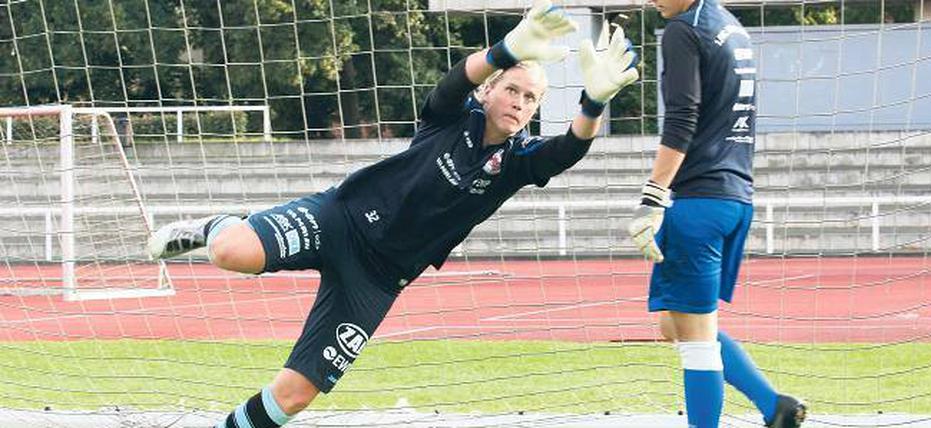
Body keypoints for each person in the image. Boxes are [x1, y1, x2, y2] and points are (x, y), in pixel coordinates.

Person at [147, 1, 638, 426]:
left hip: (377, 281)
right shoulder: (453, 116)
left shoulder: (516, 162)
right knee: (230, 252)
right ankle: (208, 227)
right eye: (512, 89)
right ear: (490, 92)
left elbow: (568, 150)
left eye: (531, 99)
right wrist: (505, 50)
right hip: (338, 220)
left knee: (294, 395)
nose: (519, 102)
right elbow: (452, 83)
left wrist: (593, 102)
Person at [627, 0, 807, 426]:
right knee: (675, 326)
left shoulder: (683, 29)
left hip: (698, 204)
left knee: (696, 342)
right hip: (734, 198)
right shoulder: (729, 24)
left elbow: (682, 117)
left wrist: (652, 196)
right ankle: (773, 406)